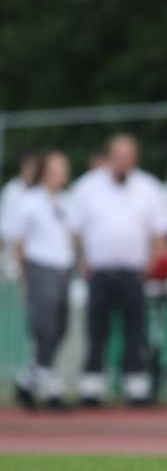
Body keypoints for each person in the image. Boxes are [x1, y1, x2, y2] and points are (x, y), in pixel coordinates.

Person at [68, 133, 167, 406]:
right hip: (99, 272)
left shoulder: (148, 187)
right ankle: (91, 387)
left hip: (133, 272)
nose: (124, 162)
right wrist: (81, 258)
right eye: (119, 156)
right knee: (97, 331)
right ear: (108, 157)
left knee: (135, 331)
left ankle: (135, 387)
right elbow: (74, 229)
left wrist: (151, 263)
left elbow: (160, 233)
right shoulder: (87, 186)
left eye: (129, 156)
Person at [7, 152, 74, 409]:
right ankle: (49, 387)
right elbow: (18, 241)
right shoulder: (28, 201)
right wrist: (25, 276)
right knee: (45, 328)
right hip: (40, 267)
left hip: (63, 268)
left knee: (60, 327)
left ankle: (27, 380)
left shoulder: (67, 201)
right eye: (59, 168)